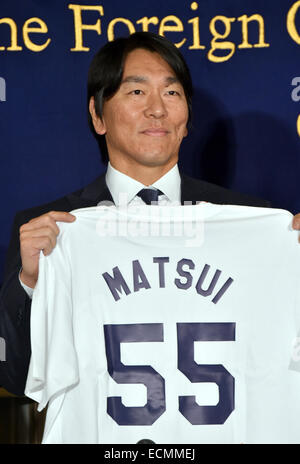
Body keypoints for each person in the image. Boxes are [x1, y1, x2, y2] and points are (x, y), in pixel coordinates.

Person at [0, 31, 298, 397]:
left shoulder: (253, 222)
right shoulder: (51, 230)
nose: (157, 108)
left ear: (187, 119)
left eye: (172, 93)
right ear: (98, 115)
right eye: (136, 91)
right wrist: (30, 284)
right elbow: (14, 378)